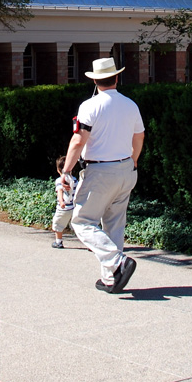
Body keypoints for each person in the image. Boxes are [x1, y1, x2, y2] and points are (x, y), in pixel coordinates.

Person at [61, 57, 145, 294]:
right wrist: (133, 160)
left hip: (100, 172)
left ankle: (117, 262)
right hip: (126, 169)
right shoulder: (130, 104)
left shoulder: (90, 106)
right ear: (117, 77)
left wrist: (66, 170)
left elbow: (78, 140)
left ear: (96, 80)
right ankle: (111, 278)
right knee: (114, 225)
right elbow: (139, 136)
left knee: (81, 221)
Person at [50, 155, 78, 249]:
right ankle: (88, 243)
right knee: (77, 226)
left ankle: (59, 242)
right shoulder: (74, 180)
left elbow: (60, 191)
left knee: (58, 224)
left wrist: (61, 201)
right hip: (74, 208)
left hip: (63, 208)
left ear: (58, 170)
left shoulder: (59, 180)